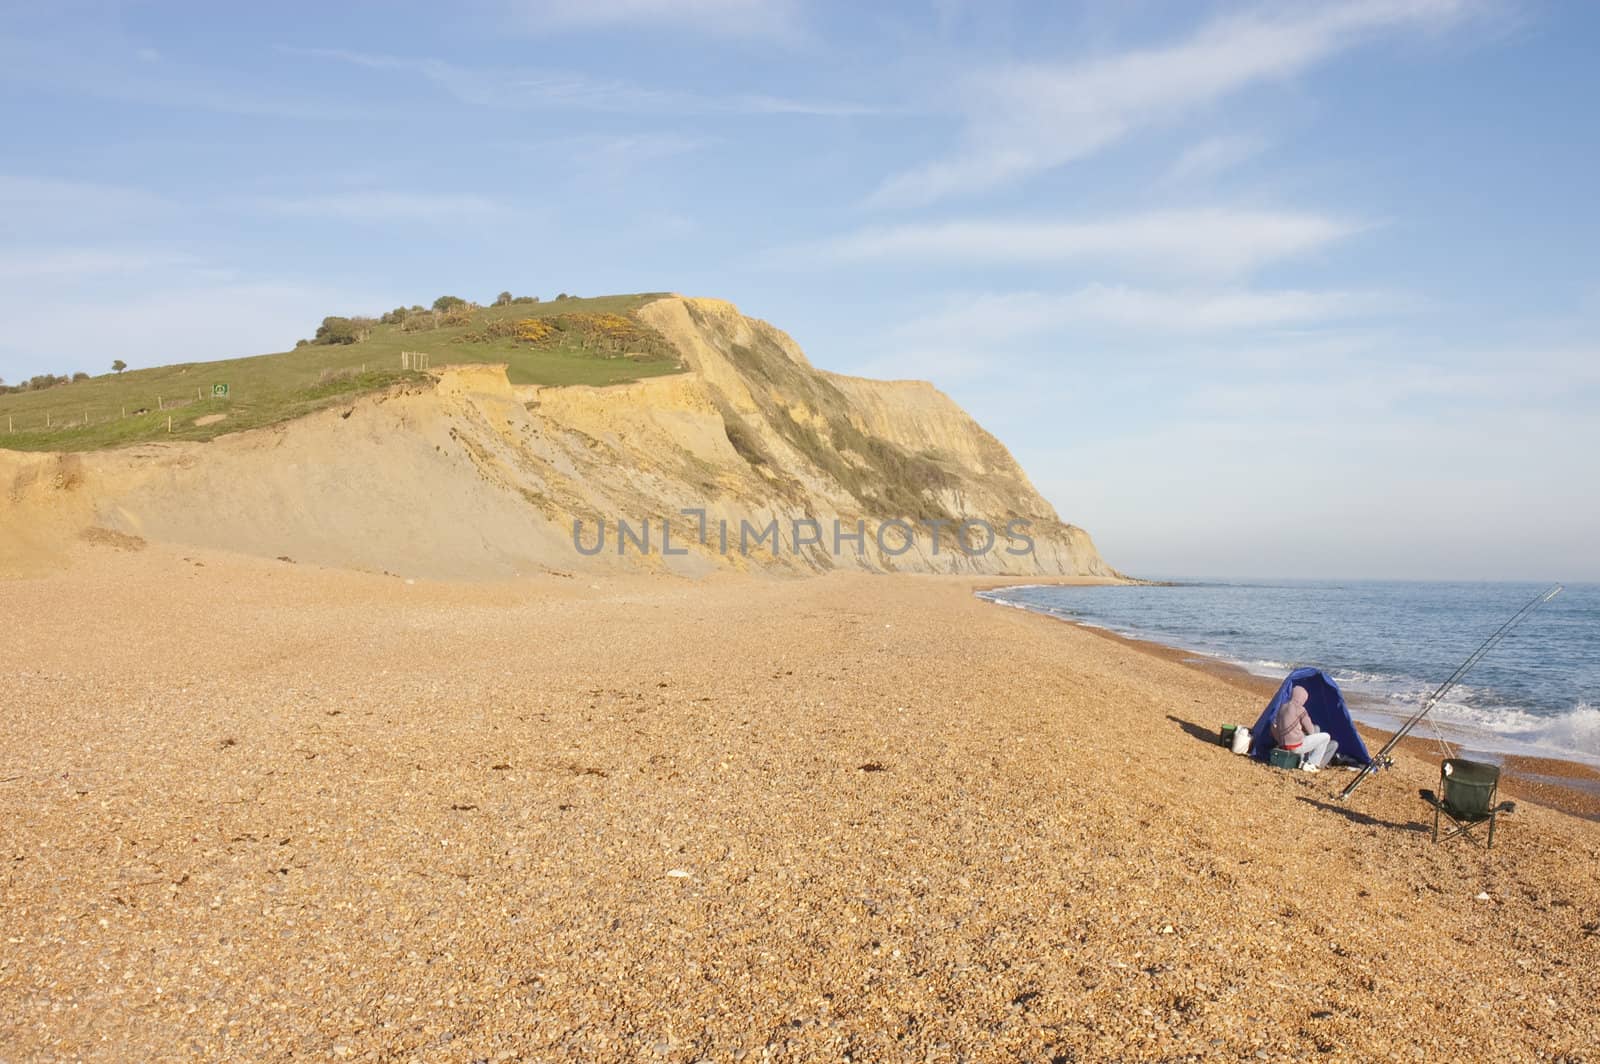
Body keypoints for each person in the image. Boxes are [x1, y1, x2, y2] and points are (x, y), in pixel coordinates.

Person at [1272, 684, 1339, 771]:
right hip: (1295, 746)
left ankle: (1307, 759)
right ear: (1302, 698)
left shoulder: (1282, 706)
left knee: (1317, 728)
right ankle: (1312, 763)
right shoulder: (1300, 709)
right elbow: (1311, 731)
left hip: (1283, 744)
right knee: (1326, 736)